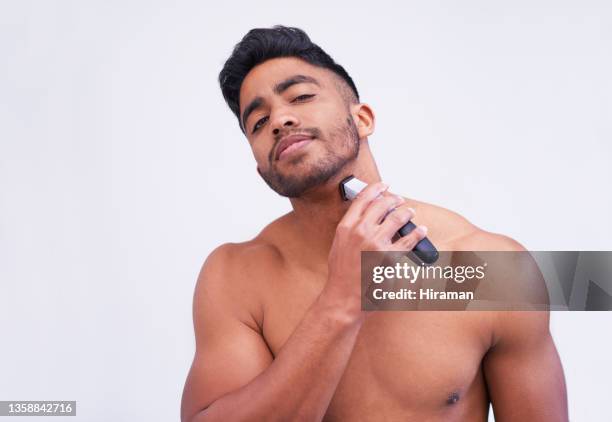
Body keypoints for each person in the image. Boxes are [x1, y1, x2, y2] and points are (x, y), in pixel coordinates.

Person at [181, 26, 568, 421]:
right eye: (259, 122)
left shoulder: (493, 268)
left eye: (300, 97)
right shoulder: (234, 278)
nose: (279, 119)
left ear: (362, 119)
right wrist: (341, 300)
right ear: (261, 167)